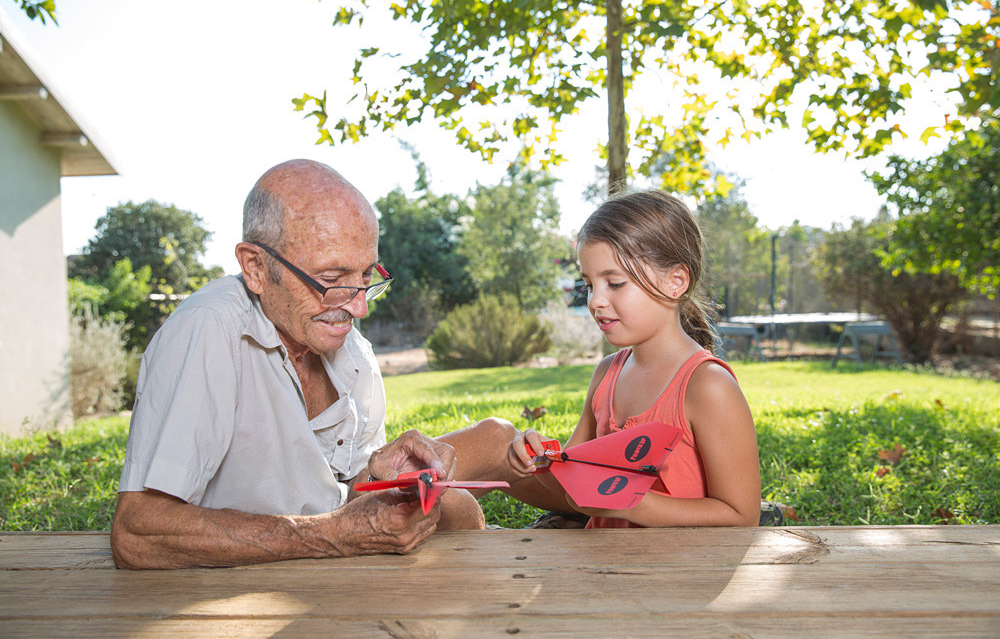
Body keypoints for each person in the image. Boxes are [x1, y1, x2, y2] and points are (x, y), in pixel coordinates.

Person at [110, 159, 491, 570]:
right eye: (332, 278)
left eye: (366, 275)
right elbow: (137, 535)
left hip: (325, 578)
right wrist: (332, 535)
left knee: (458, 505)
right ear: (255, 267)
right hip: (229, 598)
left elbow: (336, 497)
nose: (359, 306)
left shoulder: (352, 352)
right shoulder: (209, 330)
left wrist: (381, 477)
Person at [506, 190, 761, 528]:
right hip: (602, 571)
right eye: (589, 285)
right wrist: (539, 462)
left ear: (675, 282)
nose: (596, 301)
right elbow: (575, 493)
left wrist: (634, 504)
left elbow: (742, 517)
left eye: (614, 283)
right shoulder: (605, 375)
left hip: (677, 574)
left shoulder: (708, 387)